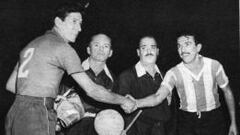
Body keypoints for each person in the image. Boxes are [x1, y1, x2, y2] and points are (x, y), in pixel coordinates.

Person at [5, 3, 135, 135]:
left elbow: (10, 85)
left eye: (80, 23)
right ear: (58, 22)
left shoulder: (31, 45)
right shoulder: (63, 48)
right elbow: (93, 90)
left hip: (15, 112)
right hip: (37, 114)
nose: (79, 28)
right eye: (74, 22)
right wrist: (124, 100)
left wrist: (51, 99)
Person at [132, 32, 238, 135]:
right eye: (179, 46)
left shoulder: (214, 65)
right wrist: (136, 103)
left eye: (187, 44)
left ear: (198, 47)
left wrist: (233, 122)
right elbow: (158, 97)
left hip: (213, 120)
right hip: (186, 122)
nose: (182, 50)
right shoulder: (173, 73)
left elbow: (227, 92)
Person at [118, 36, 171, 135]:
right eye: (144, 48)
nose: (149, 50)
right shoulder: (126, 76)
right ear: (138, 52)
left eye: (152, 47)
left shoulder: (167, 76)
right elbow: (124, 110)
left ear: (157, 51)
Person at [66, 33, 118, 135]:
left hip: (100, 129)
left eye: (105, 46)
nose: (101, 49)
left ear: (110, 52)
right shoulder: (73, 72)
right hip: (73, 128)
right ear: (88, 50)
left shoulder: (113, 80)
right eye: (96, 45)